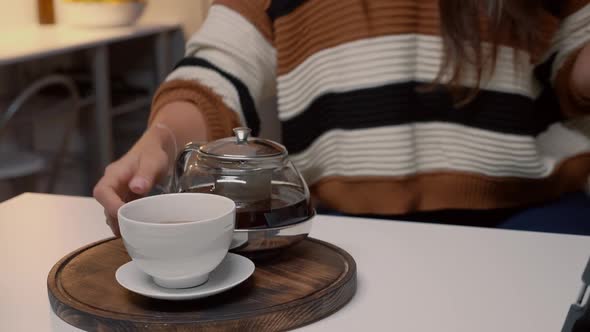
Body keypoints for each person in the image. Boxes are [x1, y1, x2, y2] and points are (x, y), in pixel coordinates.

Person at [94, 0, 590, 236]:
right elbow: (220, 66)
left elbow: (577, 52)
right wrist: (161, 136)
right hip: (342, 226)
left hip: (532, 219)